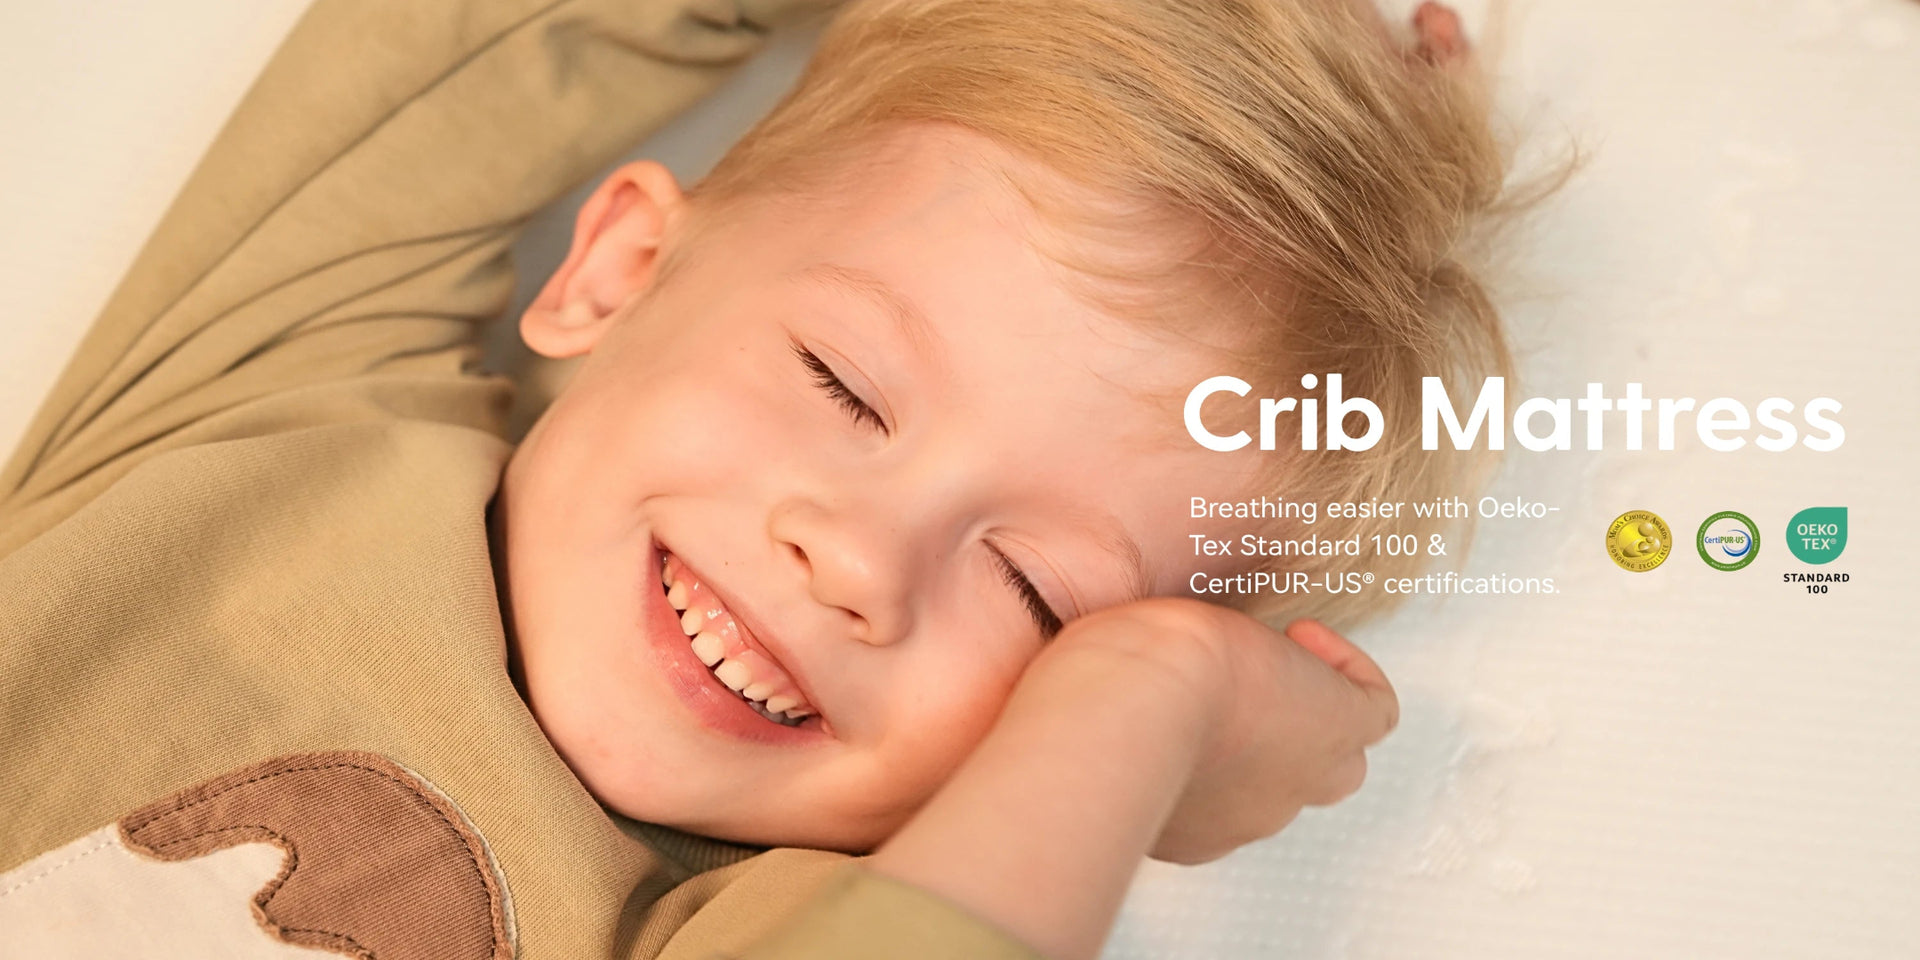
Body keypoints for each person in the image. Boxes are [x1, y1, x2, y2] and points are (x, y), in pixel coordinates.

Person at [0, 0, 1510, 957]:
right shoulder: (274, 399)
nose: (860, 564)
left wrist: (1160, 702)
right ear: (624, 265)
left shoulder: (737, 919)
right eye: (841, 384)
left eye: (1042, 596)